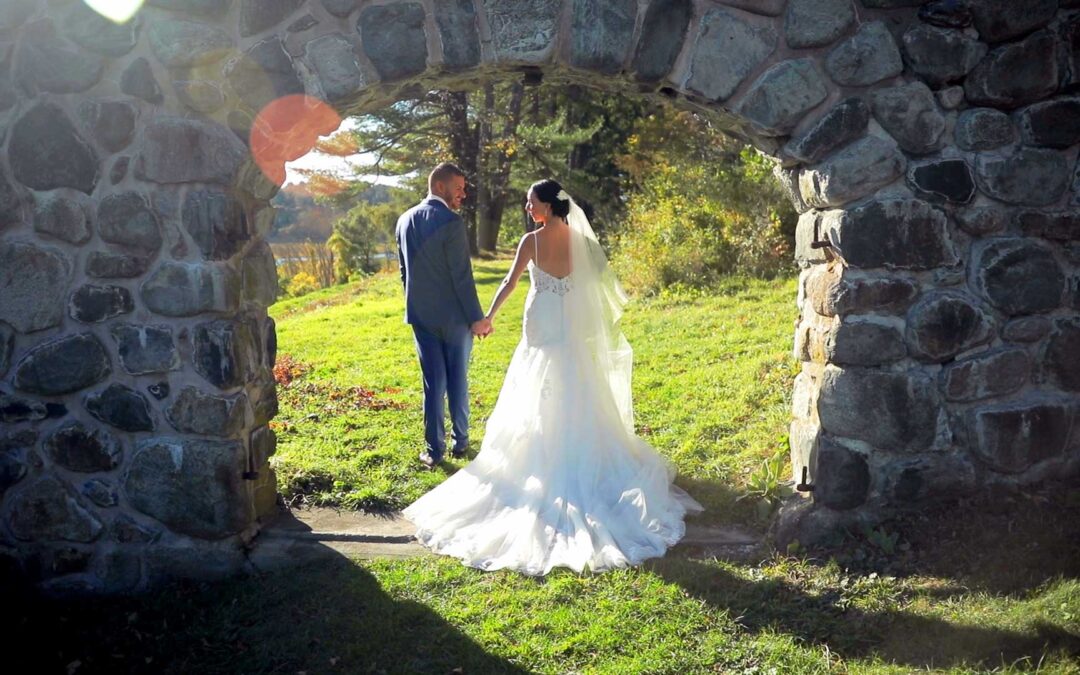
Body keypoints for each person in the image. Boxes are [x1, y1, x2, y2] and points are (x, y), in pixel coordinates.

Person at [403, 179, 702, 575]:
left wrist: (488, 317)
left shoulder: (532, 242)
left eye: (531, 202)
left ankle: (547, 456)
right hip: (569, 330)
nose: (528, 208)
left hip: (542, 326)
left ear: (547, 205)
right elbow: (597, 284)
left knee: (537, 391)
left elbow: (510, 282)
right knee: (577, 387)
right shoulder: (584, 243)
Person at [396, 163, 492, 469]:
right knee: (457, 379)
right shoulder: (451, 221)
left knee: (433, 383)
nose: (463, 194)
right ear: (440, 186)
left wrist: (416, 303)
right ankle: (460, 442)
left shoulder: (403, 220)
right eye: (458, 188)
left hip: (421, 317)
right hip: (454, 318)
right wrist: (476, 318)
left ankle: (433, 450)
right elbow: (461, 276)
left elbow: (404, 273)